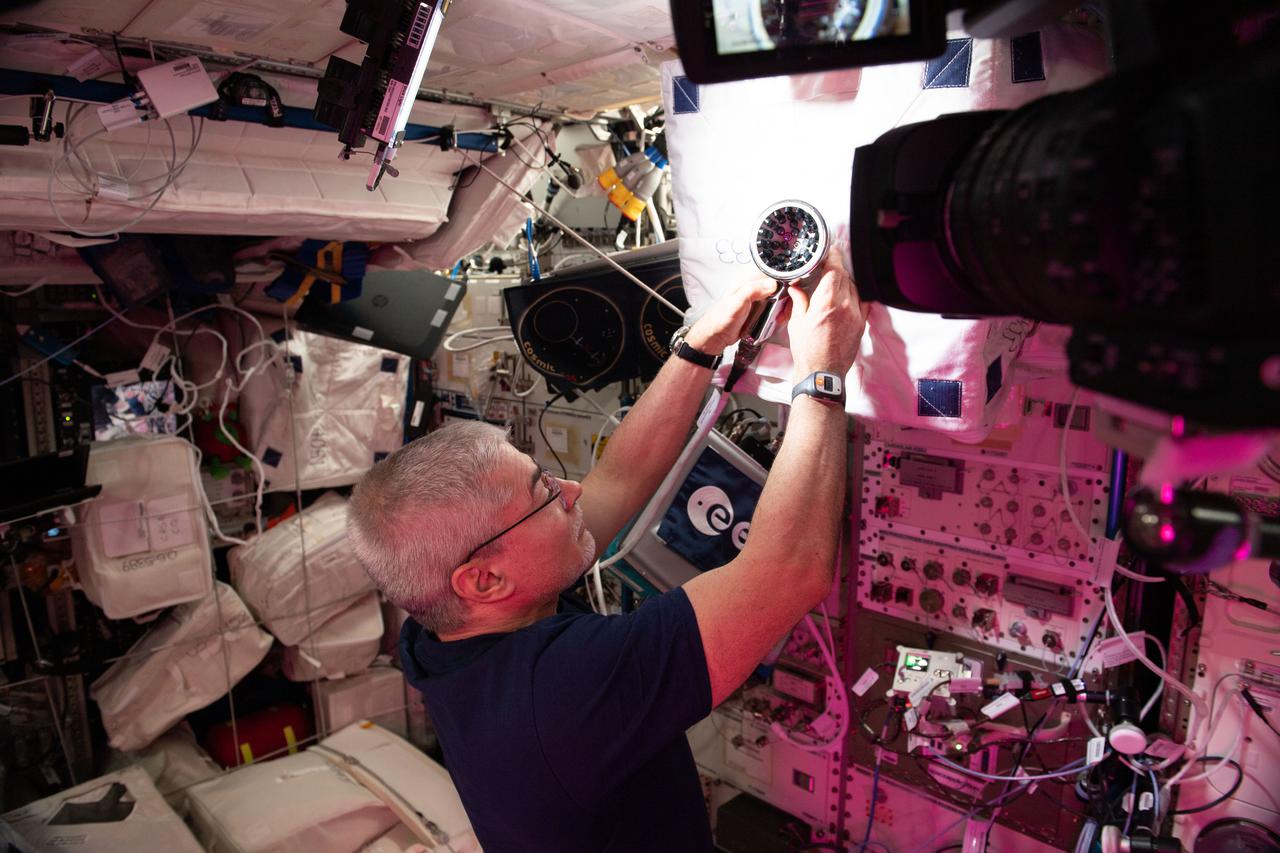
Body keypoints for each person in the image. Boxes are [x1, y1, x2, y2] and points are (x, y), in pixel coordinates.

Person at [347, 261, 866, 852]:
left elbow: (617, 478)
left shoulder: (444, 630)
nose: (572, 491)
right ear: (484, 580)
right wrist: (822, 374)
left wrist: (700, 346)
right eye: (545, 495)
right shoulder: (559, 693)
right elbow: (788, 572)